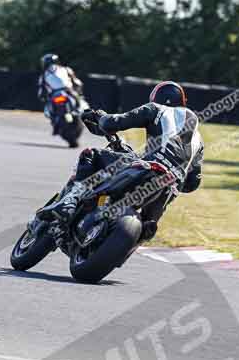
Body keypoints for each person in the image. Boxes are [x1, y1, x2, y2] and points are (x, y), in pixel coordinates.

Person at [37, 81, 204, 242]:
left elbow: (115, 122)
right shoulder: (198, 140)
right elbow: (192, 184)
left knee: (91, 154)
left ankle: (70, 201)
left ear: (157, 98)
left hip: (150, 165)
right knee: (145, 229)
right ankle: (138, 231)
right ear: (182, 101)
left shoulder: (156, 109)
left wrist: (100, 117)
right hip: (172, 184)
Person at [38, 54, 85, 133]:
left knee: (49, 109)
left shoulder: (43, 75)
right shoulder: (66, 69)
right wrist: (79, 90)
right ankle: (78, 115)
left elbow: (41, 90)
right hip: (68, 91)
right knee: (79, 102)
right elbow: (77, 82)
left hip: (55, 93)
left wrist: (42, 97)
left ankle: (55, 123)